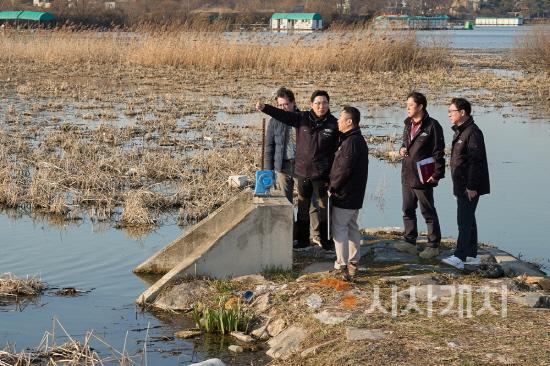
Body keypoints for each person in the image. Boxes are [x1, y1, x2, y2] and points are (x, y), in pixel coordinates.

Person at [256, 90, 339, 250]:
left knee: (320, 206)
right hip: (293, 169)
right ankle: (299, 239)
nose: (321, 106)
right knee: (300, 204)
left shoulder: (331, 123)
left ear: (294, 103)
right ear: (311, 104)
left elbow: (338, 146)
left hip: (319, 173)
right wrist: (265, 107)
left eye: (324, 103)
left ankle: (322, 239)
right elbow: (269, 146)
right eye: (318, 103)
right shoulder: (298, 119)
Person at [263, 87, 321, 243]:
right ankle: (289, 235)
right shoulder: (274, 121)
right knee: (285, 203)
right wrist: (268, 171)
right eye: (280, 105)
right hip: (282, 167)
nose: (283, 108)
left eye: (286, 104)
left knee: (308, 202)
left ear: (293, 102)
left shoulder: (303, 118)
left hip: (302, 167)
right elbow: (269, 147)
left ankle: (315, 236)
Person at [394, 91, 445, 259]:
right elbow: (405, 143)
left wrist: (437, 174)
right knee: (407, 209)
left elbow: (439, 152)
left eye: (411, 105)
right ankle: (410, 241)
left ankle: (433, 245)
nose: (407, 108)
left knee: (427, 211)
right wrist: (402, 148)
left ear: (420, 106)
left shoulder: (432, 126)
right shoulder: (408, 123)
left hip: (424, 176)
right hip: (407, 174)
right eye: (407, 104)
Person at [442, 98, 490, 270]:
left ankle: (459, 256)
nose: (448, 114)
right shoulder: (461, 131)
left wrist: (472, 186)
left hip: (469, 186)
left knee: (463, 220)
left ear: (462, 113)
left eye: (451, 111)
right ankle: (470, 254)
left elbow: (475, 161)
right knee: (469, 219)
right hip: (461, 184)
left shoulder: (472, 132)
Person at [328, 106, 369, 280]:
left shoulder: (351, 142)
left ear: (349, 121)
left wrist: (332, 187)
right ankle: (354, 263)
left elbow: (343, 170)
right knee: (352, 227)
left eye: (340, 118)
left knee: (340, 229)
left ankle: (342, 265)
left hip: (345, 194)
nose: (338, 121)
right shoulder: (357, 140)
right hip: (355, 194)